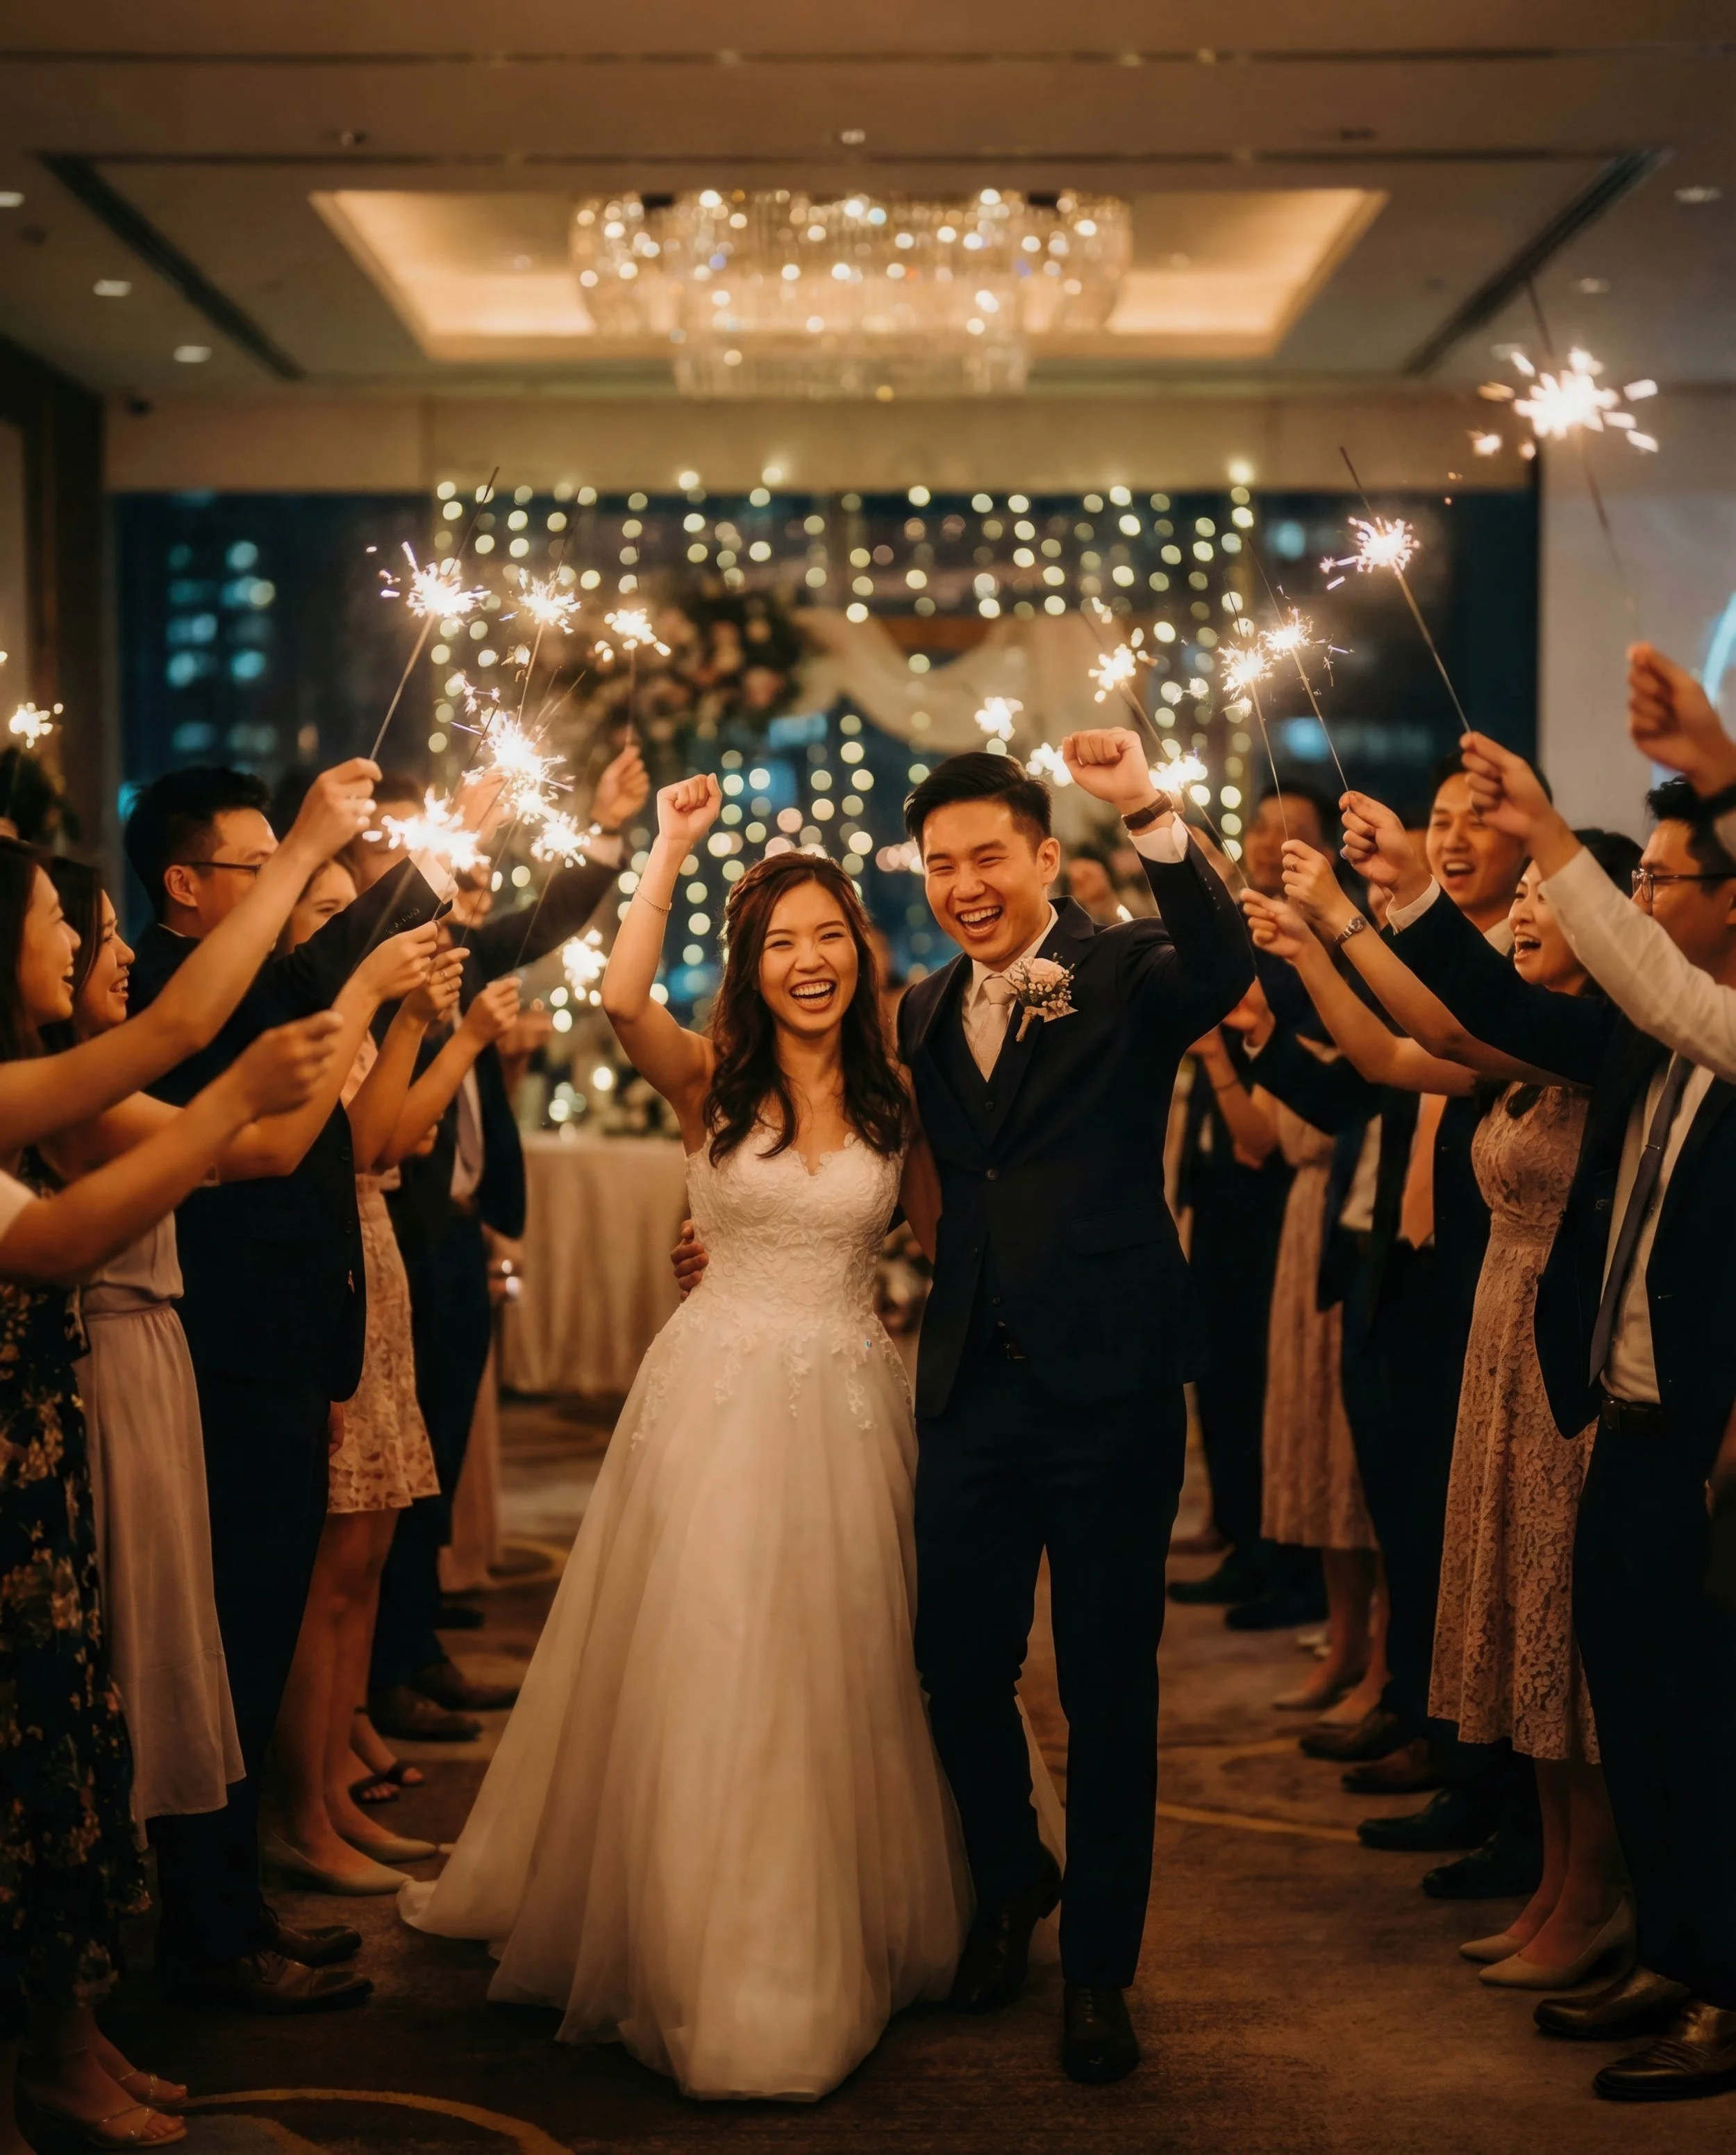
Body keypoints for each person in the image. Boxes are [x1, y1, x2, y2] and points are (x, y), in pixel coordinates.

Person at [403, 783, 974, 2102]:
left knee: (849, 1661)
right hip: (714, 1398)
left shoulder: (901, 1097)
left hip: (848, 1400)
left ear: (861, 948)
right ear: (752, 962)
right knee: (720, 1652)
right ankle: (718, 1956)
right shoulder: (708, 1077)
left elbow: (950, 1236)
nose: (811, 960)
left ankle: (833, 1928)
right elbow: (616, 1000)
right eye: (780, 940)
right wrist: (663, 847)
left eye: (829, 934)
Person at [1346, 773, 1736, 2102]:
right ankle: (1673, 1955)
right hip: (1613, 1412)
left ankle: (1719, 1987)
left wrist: (1554, 841)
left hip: (1701, 1437)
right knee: (1638, 1709)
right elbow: (1493, 1013)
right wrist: (1390, 904)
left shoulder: (1720, 1037)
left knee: (1698, 1721)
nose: (1638, 906)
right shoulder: (1638, 1040)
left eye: (1661, 883)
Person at [894, 737, 1249, 2082]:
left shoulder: (1123, 971)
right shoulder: (923, 1009)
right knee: (954, 1668)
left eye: (988, 856)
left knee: (1108, 1692)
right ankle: (1011, 1876)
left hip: (1108, 1387)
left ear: (1045, 856)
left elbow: (1224, 968)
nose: (964, 885)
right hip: (969, 1388)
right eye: (940, 866)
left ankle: (1098, 1974)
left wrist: (1155, 810)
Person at [0, 837, 345, 2152]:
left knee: (57, 1759)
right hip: (38, 1449)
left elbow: (187, 1034)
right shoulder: (31, 1091)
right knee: (44, 1767)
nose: (96, 946)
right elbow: (46, 1243)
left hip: (45, 1454)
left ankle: (64, 2039)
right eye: (60, 922)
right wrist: (311, 857)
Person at [121, 761, 483, 2011]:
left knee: (255, 1636)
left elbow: (338, 969)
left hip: (283, 1354)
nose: (285, 887)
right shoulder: (172, 990)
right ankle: (210, 1926)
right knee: (225, 1641)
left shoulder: (249, 978)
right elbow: (291, 1070)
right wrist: (364, 920)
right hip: (219, 1357)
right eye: (256, 864)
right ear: (185, 886)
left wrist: (449, 849)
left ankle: (232, 1905)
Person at [1264, 832, 1641, 1993]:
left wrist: (1346, 910)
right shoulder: (1518, 1053)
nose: (1525, 909)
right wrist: (1314, 939)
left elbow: (1442, 1014)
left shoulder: (1607, 1044)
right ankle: (1556, 1882)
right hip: (1497, 1351)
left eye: (1545, 894)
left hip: (1558, 1357)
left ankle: (1596, 1894)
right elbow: (1391, 1045)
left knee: (1568, 1638)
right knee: (1525, 1619)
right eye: (1519, 895)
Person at [367, 741, 646, 1745]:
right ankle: (385, 1669)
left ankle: (415, 1642)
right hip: (397, 1228)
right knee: (391, 1470)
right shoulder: (380, 954)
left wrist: (607, 822)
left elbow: (552, 918)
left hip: (456, 1235)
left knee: (433, 1450)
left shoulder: (459, 944)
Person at [262, 860, 521, 1889]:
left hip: (377, 1264)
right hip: (340, 1265)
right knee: (327, 1565)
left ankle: (332, 1771)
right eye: (329, 912)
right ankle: (306, 1802)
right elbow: (373, 1138)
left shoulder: (358, 1017)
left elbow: (407, 1134)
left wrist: (428, 1025)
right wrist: (437, 1027)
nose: (353, 926)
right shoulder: (316, 1022)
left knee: (366, 1549)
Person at [1200, 1023, 1385, 1718]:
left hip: (1351, 1236)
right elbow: (1260, 1140)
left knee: (1358, 1460)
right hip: (1307, 1228)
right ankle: (1344, 1643)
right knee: (1316, 1448)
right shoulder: (1299, 1036)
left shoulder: (1390, 1031)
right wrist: (1220, 1053)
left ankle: (1381, 1659)